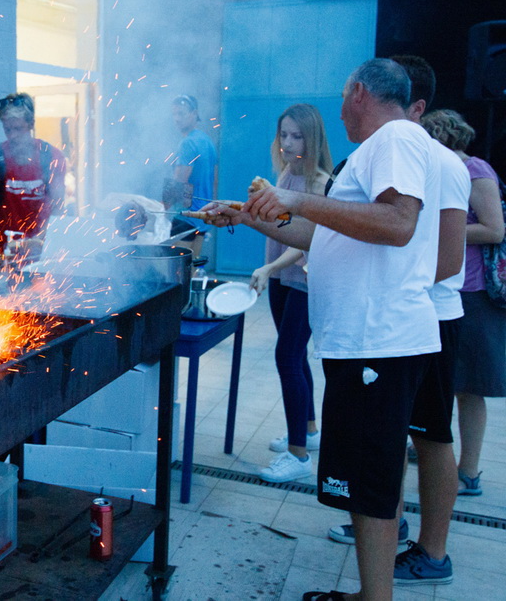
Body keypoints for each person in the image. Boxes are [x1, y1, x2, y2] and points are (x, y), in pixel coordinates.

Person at [200, 59, 443, 601]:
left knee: (369, 485)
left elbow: (399, 224)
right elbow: (317, 234)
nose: (339, 108)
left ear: (357, 92)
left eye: (341, 96)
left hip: (378, 341)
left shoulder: (397, 136)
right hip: (368, 342)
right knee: (368, 479)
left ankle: (373, 598)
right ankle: (369, 594)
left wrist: (295, 197)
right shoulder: (379, 151)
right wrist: (245, 214)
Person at [326, 57, 470, 587]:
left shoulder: (416, 150)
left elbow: (438, 256)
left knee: (423, 440)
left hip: (413, 324)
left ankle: (428, 551)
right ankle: (387, 539)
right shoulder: (375, 153)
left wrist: (390, 284)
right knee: (383, 457)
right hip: (390, 328)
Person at [247, 104, 333, 483]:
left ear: (312, 138)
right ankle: (309, 431)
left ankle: (298, 457)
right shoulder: (284, 175)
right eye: (283, 134)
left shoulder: (319, 182)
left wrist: (269, 267)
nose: (288, 142)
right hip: (282, 281)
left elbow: (307, 242)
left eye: (297, 135)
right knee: (295, 358)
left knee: (287, 357)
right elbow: (278, 224)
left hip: (303, 280)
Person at [423, 109, 505, 501]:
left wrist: (443, 227)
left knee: (470, 388)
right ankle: (433, 448)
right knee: (445, 383)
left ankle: (468, 470)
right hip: (448, 290)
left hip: (472, 294)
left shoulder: (475, 171)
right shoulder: (441, 173)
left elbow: (494, 228)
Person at [0, 93, 66, 278]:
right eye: (8, 130)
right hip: (9, 255)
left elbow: (59, 210)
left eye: (18, 129)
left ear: (31, 124)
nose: (12, 135)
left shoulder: (52, 157)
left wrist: (38, 242)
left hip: (47, 255)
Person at [167, 94, 218, 256]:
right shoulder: (207, 141)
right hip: (202, 217)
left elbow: (179, 181)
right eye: (174, 114)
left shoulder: (187, 143)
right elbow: (214, 180)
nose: (176, 119)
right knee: (193, 268)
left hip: (185, 217)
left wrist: (163, 208)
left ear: (194, 113)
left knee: (176, 270)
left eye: (181, 113)